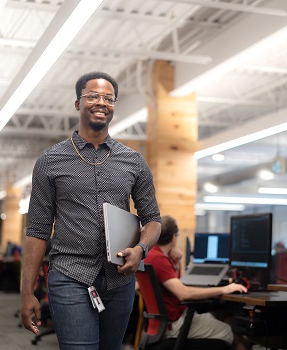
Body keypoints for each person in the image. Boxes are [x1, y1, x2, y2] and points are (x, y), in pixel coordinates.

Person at [20, 71, 161, 350]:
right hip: (70, 275)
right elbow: (37, 230)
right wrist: (26, 292)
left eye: (108, 98)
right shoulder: (51, 161)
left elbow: (153, 219)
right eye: (93, 96)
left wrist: (141, 249)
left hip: (119, 280)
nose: (101, 102)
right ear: (77, 103)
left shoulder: (133, 161)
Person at [145, 215, 251, 350]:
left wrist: (176, 265)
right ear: (173, 236)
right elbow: (183, 293)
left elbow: (169, 288)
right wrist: (223, 289)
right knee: (232, 333)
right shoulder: (158, 259)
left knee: (226, 317)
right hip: (175, 323)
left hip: (164, 322)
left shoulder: (151, 255)